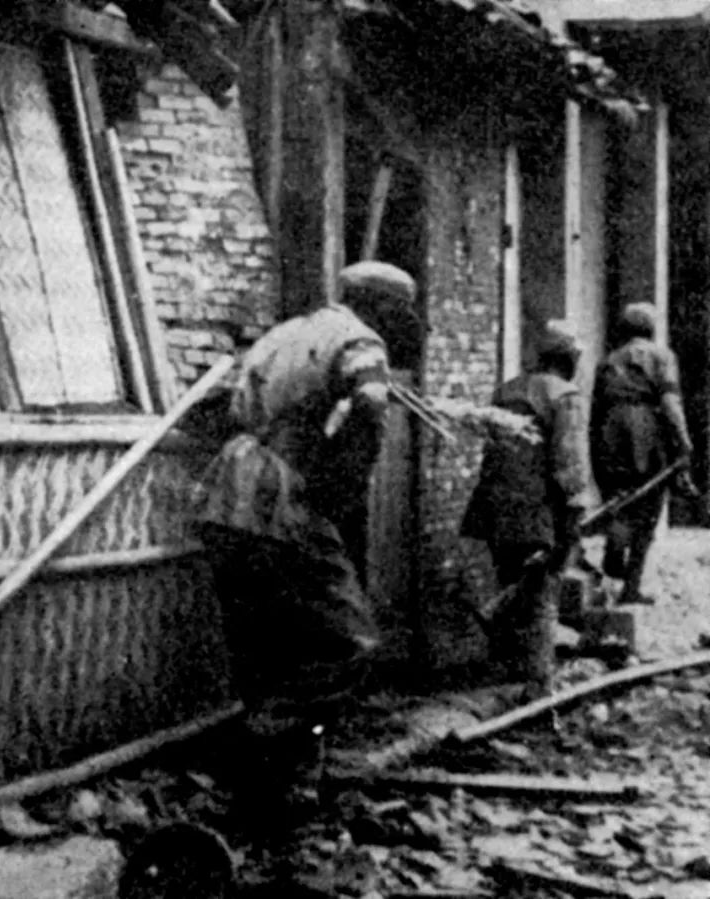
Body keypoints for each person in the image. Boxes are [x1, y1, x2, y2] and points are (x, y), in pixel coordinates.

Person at [190, 260, 416, 867]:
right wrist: (338, 486)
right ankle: (254, 746)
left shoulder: (283, 333)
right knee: (352, 642)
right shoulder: (361, 340)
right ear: (381, 307)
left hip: (227, 495)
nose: (403, 323)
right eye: (400, 311)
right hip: (281, 500)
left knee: (273, 650)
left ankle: (277, 801)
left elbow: (226, 408)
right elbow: (370, 407)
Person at [461, 319, 592, 698]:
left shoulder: (506, 391)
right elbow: (570, 465)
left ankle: (502, 677)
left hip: (496, 508)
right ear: (568, 359)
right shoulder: (565, 396)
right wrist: (573, 518)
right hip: (539, 510)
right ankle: (538, 684)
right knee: (541, 596)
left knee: (509, 583)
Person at [590, 302, 695, 606]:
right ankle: (631, 587)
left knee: (619, 500)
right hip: (644, 431)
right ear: (651, 329)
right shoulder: (661, 356)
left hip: (609, 432)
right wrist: (683, 440)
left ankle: (614, 546)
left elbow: (596, 410)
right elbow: (670, 402)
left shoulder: (608, 361)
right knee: (648, 508)